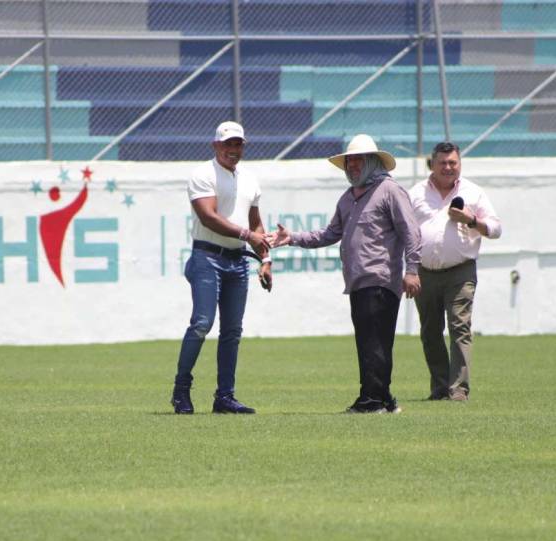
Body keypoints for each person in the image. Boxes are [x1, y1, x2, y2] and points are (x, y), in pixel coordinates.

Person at [267, 134, 421, 414]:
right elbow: (329, 234)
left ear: (373, 161)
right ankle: (384, 400)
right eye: (348, 162)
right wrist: (292, 238)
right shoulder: (348, 198)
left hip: (380, 278)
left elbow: (411, 232)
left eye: (357, 160)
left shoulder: (390, 191)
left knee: (374, 342)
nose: (352, 166)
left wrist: (412, 270)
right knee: (373, 343)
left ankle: (371, 400)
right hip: (358, 281)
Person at [171, 121, 272, 415]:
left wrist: (265, 260)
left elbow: (256, 224)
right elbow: (209, 218)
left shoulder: (250, 179)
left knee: (232, 331)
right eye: (227, 143)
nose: (233, 149)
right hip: (207, 257)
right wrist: (248, 236)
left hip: (238, 260)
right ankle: (181, 391)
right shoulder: (203, 174)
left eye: (238, 144)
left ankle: (224, 397)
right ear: (215, 145)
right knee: (202, 323)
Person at [408, 142, 502, 401]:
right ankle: (440, 388)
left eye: (453, 163)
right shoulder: (415, 193)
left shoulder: (474, 192)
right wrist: (409, 269)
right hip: (424, 271)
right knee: (430, 331)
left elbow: (495, 229)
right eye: (443, 163)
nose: (448, 167)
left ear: (460, 164)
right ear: (432, 164)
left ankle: (459, 389)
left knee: (459, 326)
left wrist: (472, 220)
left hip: (460, 271)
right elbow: (405, 232)